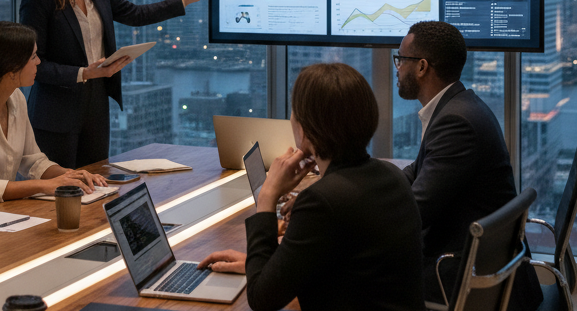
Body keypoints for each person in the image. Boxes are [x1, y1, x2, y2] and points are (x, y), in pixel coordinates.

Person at [199, 63, 425, 311]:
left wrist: (267, 196)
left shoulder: (323, 201)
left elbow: (262, 299)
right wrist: (263, 266)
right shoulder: (391, 176)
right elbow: (338, 264)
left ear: (305, 130)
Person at [19, 0, 221, 168]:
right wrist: (84, 73)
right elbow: (35, 65)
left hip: (96, 105)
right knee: (60, 190)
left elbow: (136, 14)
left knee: (96, 181)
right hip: (56, 113)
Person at [396, 21, 541, 310]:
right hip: (478, 266)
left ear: (422, 67)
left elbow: (415, 212)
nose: (397, 68)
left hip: (458, 278)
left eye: (400, 60)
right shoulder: (459, 105)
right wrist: (371, 183)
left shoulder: (456, 121)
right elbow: (417, 171)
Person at [0, 21, 108, 208]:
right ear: (11, 69)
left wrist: (68, 175)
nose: (39, 62)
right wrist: (45, 186)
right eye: (33, 57)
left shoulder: (16, 98)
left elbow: (33, 161)